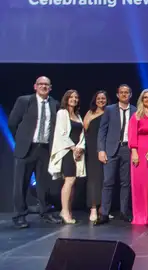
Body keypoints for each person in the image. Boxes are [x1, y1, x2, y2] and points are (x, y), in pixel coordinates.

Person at [8, 76, 61, 229]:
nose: (43, 87)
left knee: (43, 183)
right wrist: (22, 140)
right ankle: (19, 215)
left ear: (50, 88)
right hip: (27, 148)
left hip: (44, 148)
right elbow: (13, 122)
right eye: (41, 84)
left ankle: (45, 212)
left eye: (46, 85)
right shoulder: (24, 101)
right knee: (21, 183)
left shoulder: (54, 104)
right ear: (35, 86)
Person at [95, 84, 137, 225]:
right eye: (122, 92)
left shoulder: (135, 111)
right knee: (108, 182)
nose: (124, 95)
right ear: (118, 95)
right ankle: (104, 213)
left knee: (126, 183)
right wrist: (101, 149)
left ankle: (124, 212)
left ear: (130, 95)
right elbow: (102, 131)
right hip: (111, 149)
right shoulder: (109, 109)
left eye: (127, 92)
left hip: (127, 149)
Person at [48, 89, 86, 224]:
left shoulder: (78, 115)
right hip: (66, 151)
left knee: (73, 181)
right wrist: (72, 147)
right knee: (69, 180)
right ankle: (64, 211)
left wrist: (81, 147)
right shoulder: (62, 113)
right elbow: (61, 133)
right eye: (71, 97)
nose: (74, 99)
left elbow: (82, 135)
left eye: (76, 97)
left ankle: (68, 209)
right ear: (66, 98)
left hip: (76, 152)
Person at [128, 89, 148, 225]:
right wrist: (134, 152)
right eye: (145, 97)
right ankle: (141, 216)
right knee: (141, 184)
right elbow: (132, 135)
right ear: (141, 99)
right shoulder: (137, 115)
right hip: (140, 152)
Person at [83, 90, 108, 222]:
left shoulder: (109, 112)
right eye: (99, 98)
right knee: (93, 179)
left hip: (105, 148)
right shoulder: (90, 113)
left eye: (103, 98)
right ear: (95, 100)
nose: (101, 101)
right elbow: (85, 128)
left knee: (104, 179)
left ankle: (102, 208)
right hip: (92, 148)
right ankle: (93, 208)